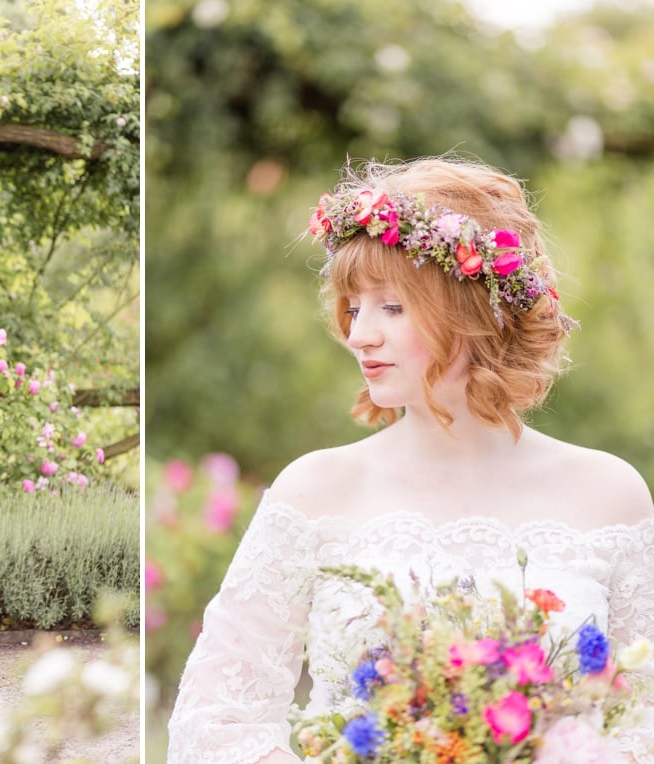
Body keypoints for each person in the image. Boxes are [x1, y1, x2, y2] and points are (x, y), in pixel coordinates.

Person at [166, 156, 654, 763]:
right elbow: (217, 721)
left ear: (478, 309)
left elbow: (644, 721)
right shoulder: (314, 491)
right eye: (353, 307)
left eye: (391, 307)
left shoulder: (611, 494)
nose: (359, 334)